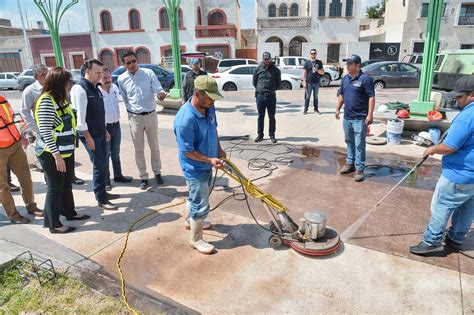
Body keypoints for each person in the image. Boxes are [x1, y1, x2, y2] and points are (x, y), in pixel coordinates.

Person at [409, 75, 474, 255]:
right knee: (466, 208)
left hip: (458, 173)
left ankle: (432, 241)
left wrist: (432, 149)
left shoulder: (467, 116)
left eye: (460, 96)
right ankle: (456, 238)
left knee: (442, 205)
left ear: (472, 94)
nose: (456, 99)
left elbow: (450, 146)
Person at [173, 76, 226, 255]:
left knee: (197, 197)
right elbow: (187, 151)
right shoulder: (185, 120)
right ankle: (196, 239)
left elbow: (214, 129)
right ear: (198, 94)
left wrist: (219, 150)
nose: (213, 101)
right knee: (200, 202)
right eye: (210, 97)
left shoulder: (208, 107)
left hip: (207, 163)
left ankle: (190, 220)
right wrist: (209, 160)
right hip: (194, 168)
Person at [35, 67, 90, 233]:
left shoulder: (61, 99)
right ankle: (54, 224)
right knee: (54, 188)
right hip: (52, 153)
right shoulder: (46, 101)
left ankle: (69, 212)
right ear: (60, 83)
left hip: (66, 151)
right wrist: (57, 156)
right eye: (69, 81)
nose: (71, 84)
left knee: (66, 184)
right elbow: (45, 131)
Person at [72, 59, 119, 210]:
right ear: (88, 71)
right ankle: (101, 198)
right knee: (99, 164)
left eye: (102, 72)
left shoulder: (95, 87)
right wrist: (87, 137)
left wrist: (104, 130)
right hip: (89, 135)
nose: (101, 76)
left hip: (100, 132)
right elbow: (80, 117)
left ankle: (103, 192)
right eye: (97, 73)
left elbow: (100, 112)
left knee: (103, 162)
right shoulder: (80, 88)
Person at [117, 50, 167, 190]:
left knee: (154, 146)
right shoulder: (121, 79)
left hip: (150, 115)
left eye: (134, 61)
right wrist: (130, 112)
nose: (132, 64)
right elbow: (125, 98)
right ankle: (143, 177)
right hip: (135, 117)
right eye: (129, 62)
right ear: (124, 64)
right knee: (139, 149)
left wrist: (161, 94)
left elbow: (158, 89)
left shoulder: (148, 73)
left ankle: (157, 173)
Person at [0, 95, 43, 224]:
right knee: (2, 186)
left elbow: (11, 119)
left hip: (15, 144)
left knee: (26, 178)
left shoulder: (2, 98)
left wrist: (22, 135)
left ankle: (31, 206)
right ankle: (13, 214)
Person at [335, 54, 375, 182]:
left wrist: (370, 114)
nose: (347, 66)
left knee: (359, 144)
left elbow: (371, 97)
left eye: (350, 64)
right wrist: (337, 108)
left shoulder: (365, 79)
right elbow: (342, 94)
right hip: (347, 117)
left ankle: (359, 169)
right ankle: (350, 164)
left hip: (359, 118)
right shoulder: (345, 78)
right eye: (347, 64)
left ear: (358, 65)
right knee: (349, 142)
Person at [99, 67, 133, 191]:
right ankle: (106, 181)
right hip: (105, 127)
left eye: (109, 77)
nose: (108, 80)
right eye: (104, 78)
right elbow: (98, 113)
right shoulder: (97, 91)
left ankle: (118, 175)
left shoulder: (114, 88)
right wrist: (104, 129)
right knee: (106, 155)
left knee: (116, 153)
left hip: (116, 124)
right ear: (99, 78)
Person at [252, 51, 281, 143]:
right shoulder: (257, 69)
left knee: (271, 117)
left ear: (270, 59)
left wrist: (271, 89)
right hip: (260, 97)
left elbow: (279, 84)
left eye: (268, 59)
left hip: (271, 97)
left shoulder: (276, 70)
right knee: (260, 116)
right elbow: (254, 82)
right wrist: (261, 89)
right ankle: (260, 135)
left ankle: (272, 135)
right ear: (262, 59)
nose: (267, 61)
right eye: (265, 59)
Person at [302, 49, 325, 115]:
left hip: (316, 83)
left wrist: (317, 70)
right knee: (307, 97)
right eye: (312, 53)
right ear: (310, 54)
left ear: (316, 54)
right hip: (309, 83)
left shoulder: (319, 62)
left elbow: (323, 72)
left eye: (314, 53)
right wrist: (304, 82)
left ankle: (316, 110)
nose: (313, 54)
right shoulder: (307, 62)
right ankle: (305, 110)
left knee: (316, 97)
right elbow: (304, 73)